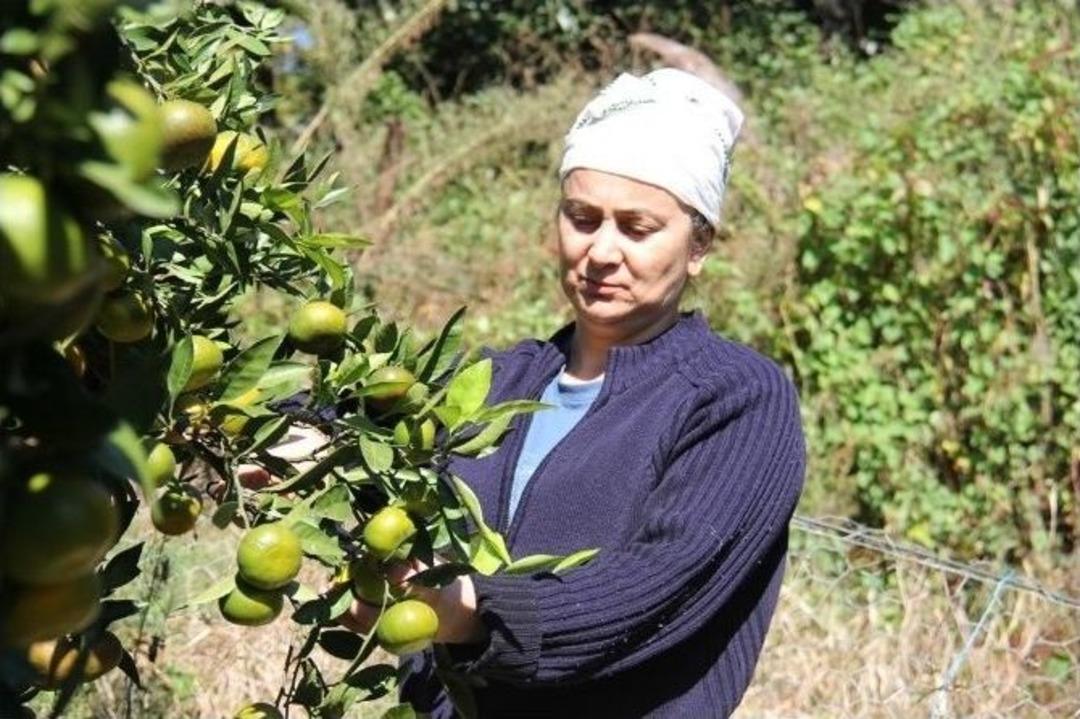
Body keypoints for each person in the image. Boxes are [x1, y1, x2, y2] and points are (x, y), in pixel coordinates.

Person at [336, 67, 807, 717]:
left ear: (699, 245)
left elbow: (654, 589)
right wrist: (299, 439)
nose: (601, 251)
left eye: (637, 228)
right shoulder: (496, 380)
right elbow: (361, 439)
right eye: (582, 218)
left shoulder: (736, 399)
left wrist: (474, 612)